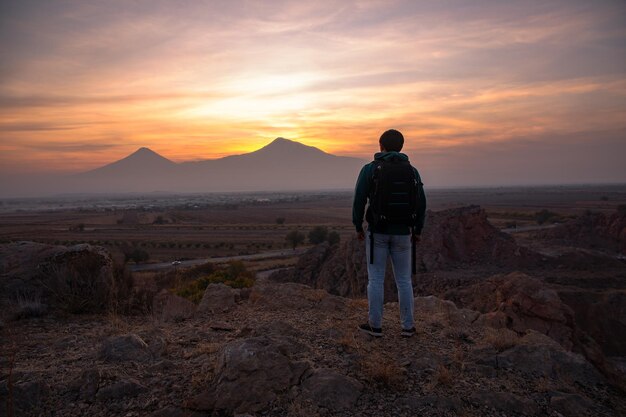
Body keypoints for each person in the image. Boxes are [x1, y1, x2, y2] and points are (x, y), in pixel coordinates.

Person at [352, 129, 426, 338]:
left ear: (380, 146)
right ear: (401, 147)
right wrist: (417, 230)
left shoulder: (370, 169)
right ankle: (408, 327)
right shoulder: (412, 171)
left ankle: (375, 326)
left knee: (375, 279)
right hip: (404, 233)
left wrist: (357, 226)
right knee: (404, 280)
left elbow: (359, 199)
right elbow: (421, 203)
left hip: (377, 233)